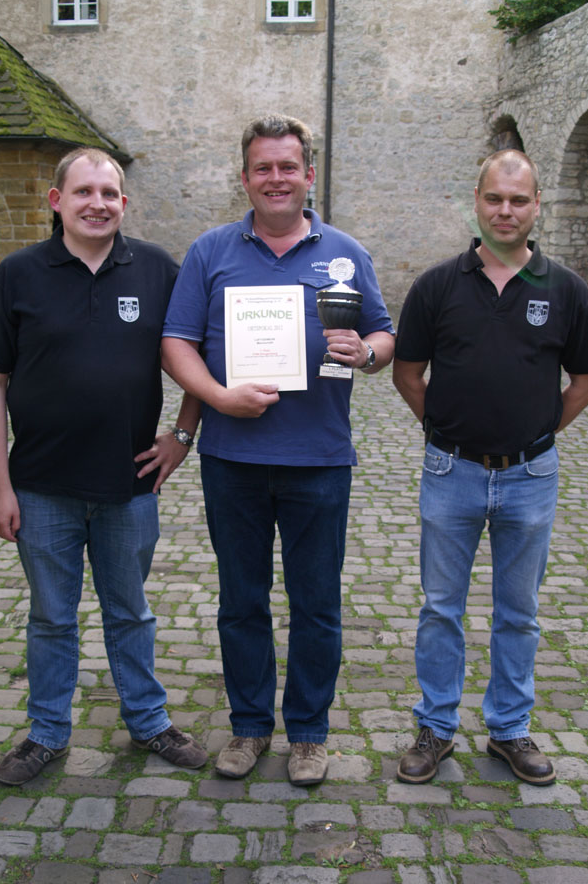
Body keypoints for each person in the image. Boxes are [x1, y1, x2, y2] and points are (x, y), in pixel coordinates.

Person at [0, 147, 207, 785]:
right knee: (50, 617)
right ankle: (46, 732)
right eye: (83, 192)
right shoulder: (18, 274)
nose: (97, 204)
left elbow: (196, 354)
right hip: (41, 487)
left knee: (131, 612)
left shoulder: (157, 270)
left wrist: (182, 435)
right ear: (57, 201)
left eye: (108, 193)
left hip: (130, 485)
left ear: (124, 202)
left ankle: (148, 721)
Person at [161, 114, 395, 786]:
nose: (276, 178)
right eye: (262, 167)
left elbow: (384, 334)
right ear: (245, 178)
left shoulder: (345, 252)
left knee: (316, 604)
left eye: (287, 166)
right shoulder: (210, 252)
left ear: (308, 174)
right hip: (232, 459)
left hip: (319, 459)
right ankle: (249, 726)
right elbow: (176, 343)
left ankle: (310, 734)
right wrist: (218, 396)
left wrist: (365, 353)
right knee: (242, 600)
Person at [392, 150, 588, 786]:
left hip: (530, 478)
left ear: (537, 206)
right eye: (494, 198)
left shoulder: (566, 289)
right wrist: (443, 430)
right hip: (450, 472)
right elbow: (408, 374)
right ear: (477, 203)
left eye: (518, 200)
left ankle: (509, 729)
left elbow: (587, 380)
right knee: (441, 609)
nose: (505, 211)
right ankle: (435, 726)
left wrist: (538, 434)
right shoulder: (437, 286)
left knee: (519, 612)